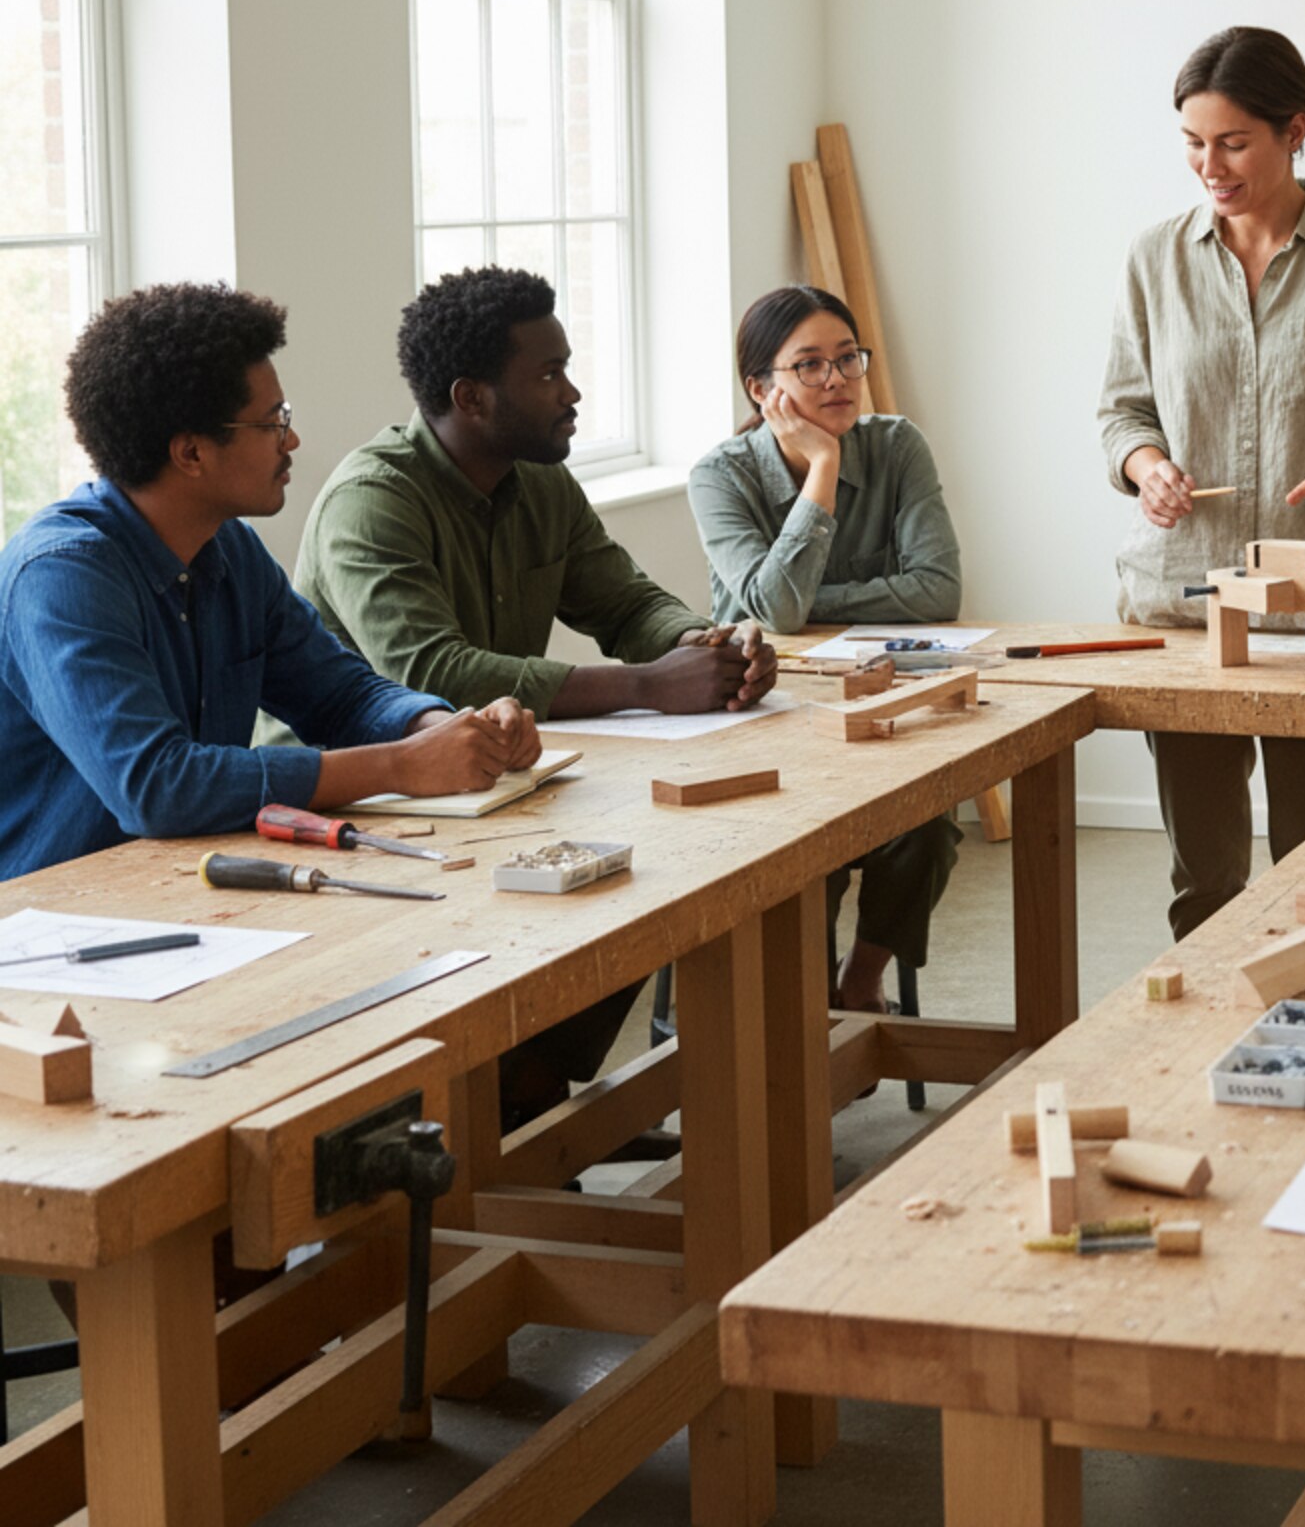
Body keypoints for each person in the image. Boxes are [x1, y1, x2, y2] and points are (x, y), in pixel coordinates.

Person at [291, 266, 778, 1127]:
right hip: (360, 809)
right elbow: (431, 671)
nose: (572, 392)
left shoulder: (540, 479)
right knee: (619, 879)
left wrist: (704, 645)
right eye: (549, 373)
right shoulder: (372, 502)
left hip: (489, 786)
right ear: (471, 397)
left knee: (658, 872)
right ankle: (505, 1121)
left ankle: (529, 1105)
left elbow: (624, 601)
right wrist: (649, 685)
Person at [0, 283, 537, 879]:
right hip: (49, 912)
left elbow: (340, 696)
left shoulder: (230, 547)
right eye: (273, 422)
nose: (293, 440)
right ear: (191, 453)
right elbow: (158, 786)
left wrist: (451, 732)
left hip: (180, 888)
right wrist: (400, 765)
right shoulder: (60, 576)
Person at [1098, 26, 1305, 938]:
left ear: (1295, 130)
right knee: (1205, 878)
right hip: (1184, 603)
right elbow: (1122, 414)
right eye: (1193, 143)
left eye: (1234, 143)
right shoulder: (1153, 259)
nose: (1210, 167)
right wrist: (1147, 469)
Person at [689, 284, 961, 1013]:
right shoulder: (719, 475)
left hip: (877, 706)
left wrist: (807, 605)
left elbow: (938, 591)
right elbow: (776, 613)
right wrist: (822, 470)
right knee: (809, 847)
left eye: (847, 358)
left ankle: (860, 980)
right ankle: (799, 1008)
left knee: (929, 827)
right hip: (761, 714)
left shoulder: (898, 446)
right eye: (809, 365)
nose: (837, 378)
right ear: (761, 388)